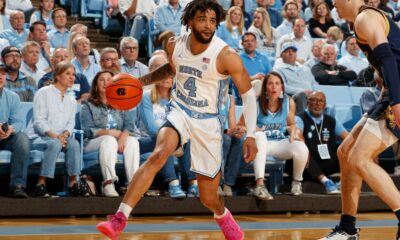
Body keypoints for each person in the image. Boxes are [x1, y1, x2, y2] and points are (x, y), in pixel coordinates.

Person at [97, 1, 258, 240]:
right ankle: (119, 218)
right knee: (159, 154)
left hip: (208, 121)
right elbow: (172, 69)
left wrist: (252, 135)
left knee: (208, 197)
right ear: (190, 21)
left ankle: (222, 214)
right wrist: (140, 82)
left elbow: (248, 94)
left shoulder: (226, 55)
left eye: (213, 21)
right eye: (203, 19)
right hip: (180, 110)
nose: (208, 25)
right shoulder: (174, 45)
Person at [319, 0, 400, 239]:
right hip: (390, 93)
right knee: (346, 153)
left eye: (336, 1)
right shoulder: (362, 21)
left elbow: (387, 59)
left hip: (396, 95)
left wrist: (396, 103)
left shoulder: (365, 18)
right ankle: (347, 228)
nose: (334, 5)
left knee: (359, 157)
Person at [240, 71, 308, 199]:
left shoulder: (289, 102)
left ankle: (296, 182)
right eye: (270, 84)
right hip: (259, 145)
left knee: (301, 147)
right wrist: (252, 128)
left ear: (282, 87)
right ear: (265, 87)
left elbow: (291, 124)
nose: (274, 87)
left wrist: (293, 132)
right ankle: (259, 185)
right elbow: (240, 125)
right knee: (260, 136)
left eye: (277, 84)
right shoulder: (255, 103)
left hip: (277, 144)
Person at [27, 61, 89, 198]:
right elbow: (39, 121)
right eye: (67, 74)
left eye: (73, 74)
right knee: (54, 143)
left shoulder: (72, 100)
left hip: (60, 138)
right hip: (38, 137)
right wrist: (55, 136)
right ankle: (40, 184)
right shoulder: (43, 92)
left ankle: (73, 183)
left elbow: (70, 124)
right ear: (57, 76)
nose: (72, 77)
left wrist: (65, 135)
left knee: (74, 143)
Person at [81, 71, 140, 197]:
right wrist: (111, 133)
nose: (105, 82)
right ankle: (108, 183)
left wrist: (123, 137)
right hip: (92, 142)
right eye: (101, 79)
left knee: (133, 141)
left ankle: (133, 185)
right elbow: (88, 130)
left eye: (109, 79)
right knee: (109, 140)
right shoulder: (88, 105)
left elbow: (129, 125)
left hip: (117, 139)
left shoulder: (122, 102)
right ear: (96, 85)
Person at [296, 91, 346, 194]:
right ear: (307, 103)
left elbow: (348, 137)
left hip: (325, 162)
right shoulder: (300, 118)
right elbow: (298, 135)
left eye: (321, 101)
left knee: (349, 149)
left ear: (325, 105)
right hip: (307, 164)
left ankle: (343, 183)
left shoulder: (331, 120)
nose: (317, 103)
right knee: (301, 151)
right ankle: (326, 182)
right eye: (314, 100)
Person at [0, 63, 30, 198]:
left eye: (2, 73)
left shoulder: (12, 96)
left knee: (22, 138)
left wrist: (10, 129)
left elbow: (19, 122)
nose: (0, 76)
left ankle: (18, 186)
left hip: (5, 136)